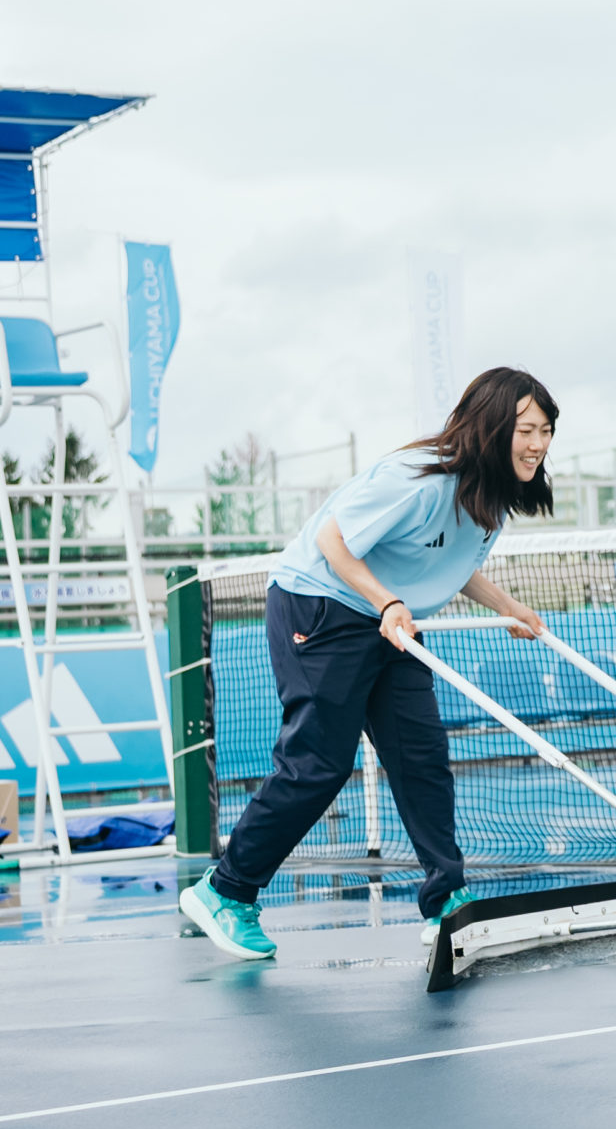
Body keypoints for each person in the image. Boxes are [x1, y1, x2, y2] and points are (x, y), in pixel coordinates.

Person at [179, 370, 558, 961]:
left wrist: (507, 605)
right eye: (526, 430)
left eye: (547, 431)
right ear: (490, 426)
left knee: (421, 755)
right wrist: (386, 602)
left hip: (390, 617)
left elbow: (451, 563)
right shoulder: (418, 479)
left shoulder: (490, 495)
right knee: (319, 763)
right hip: (321, 604)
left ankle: (446, 899)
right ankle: (225, 890)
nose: (538, 444)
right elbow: (333, 541)